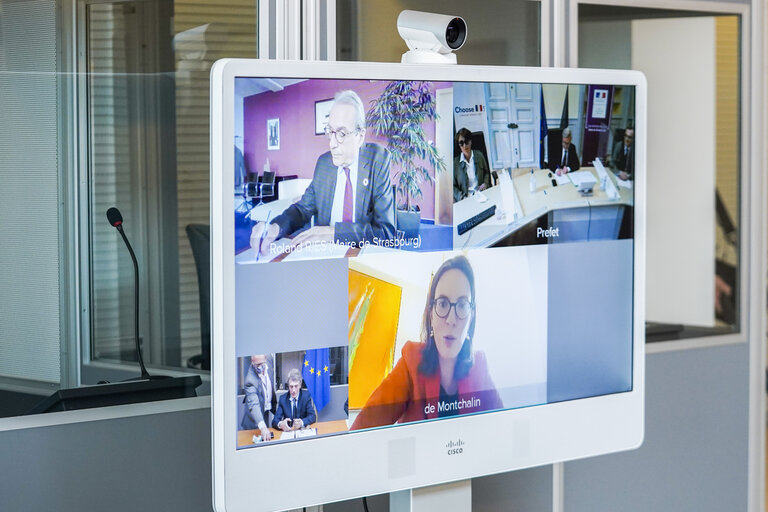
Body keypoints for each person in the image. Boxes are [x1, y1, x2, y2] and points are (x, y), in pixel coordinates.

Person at [351, 255, 503, 430]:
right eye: (443, 303)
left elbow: (502, 429)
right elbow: (360, 431)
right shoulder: (411, 362)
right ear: (431, 313)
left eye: (462, 305)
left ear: (471, 317)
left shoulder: (480, 367)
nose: (451, 319)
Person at [250, 90, 396, 254]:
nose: (332, 143)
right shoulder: (324, 163)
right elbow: (302, 210)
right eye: (330, 131)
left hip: (362, 260)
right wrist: (276, 227)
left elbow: (386, 234)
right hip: (326, 256)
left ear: (360, 136)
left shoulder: (378, 160)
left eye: (341, 133)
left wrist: (335, 233)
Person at [240, 354, 277, 438]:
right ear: (252, 362)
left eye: (261, 364)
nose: (260, 367)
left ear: (266, 358)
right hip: (253, 424)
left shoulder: (269, 361)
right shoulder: (250, 381)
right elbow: (254, 404)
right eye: (257, 365)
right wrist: (263, 427)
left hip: (265, 415)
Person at [453, 127, 491, 202]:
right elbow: (453, 186)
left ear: (471, 141)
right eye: (461, 143)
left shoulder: (479, 155)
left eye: (466, 141)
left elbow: (486, 173)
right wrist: (461, 197)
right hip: (466, 199)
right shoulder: (455, 163)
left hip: (481, 195)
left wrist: (485, 184)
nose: (464, 146)